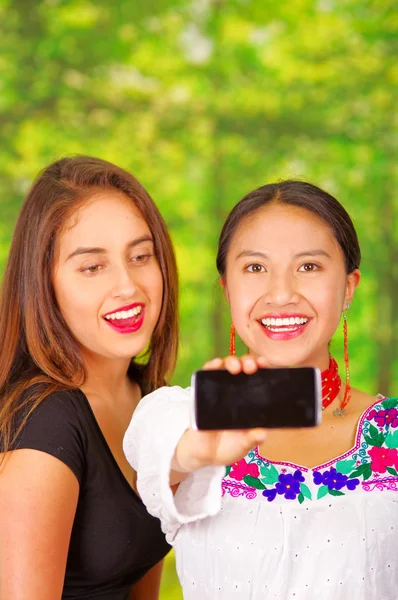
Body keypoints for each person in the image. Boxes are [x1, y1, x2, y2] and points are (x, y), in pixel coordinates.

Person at [124, 180, 398, 599]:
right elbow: (158, 451)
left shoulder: (393, 431)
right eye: (255, 268)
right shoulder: (177, 416)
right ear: (227, 288)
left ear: (348, 287)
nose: (282, 293)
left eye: (309, 267)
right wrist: (199, 450)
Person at [0, 156, 179, 600]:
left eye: (140, 256)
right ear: (44, 284)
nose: (127, 286)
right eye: (92, 267)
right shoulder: (45, 423)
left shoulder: (149, 400)